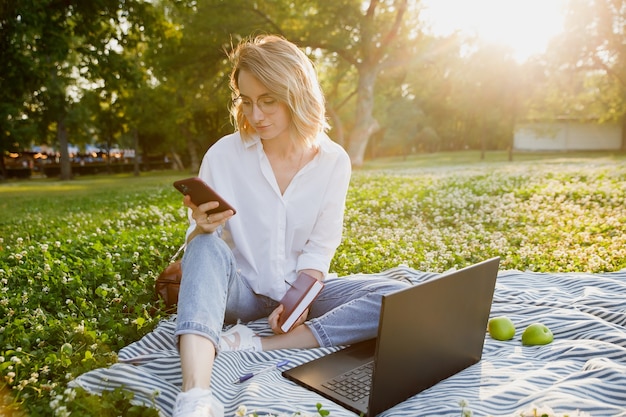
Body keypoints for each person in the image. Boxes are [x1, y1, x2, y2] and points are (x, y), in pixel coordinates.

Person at [173, 34, 410, 417]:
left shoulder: (334, 161)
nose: (256, 116)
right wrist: (201, 227)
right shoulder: (223, 154)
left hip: (303, 292)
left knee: (398, 297)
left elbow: (320, 247)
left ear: (298, 94)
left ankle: (258, 345)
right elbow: (208, 256)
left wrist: (297, 301)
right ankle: (194, 395)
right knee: (203, 245)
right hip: (241, 292)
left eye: (268, 101)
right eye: (246, 102)